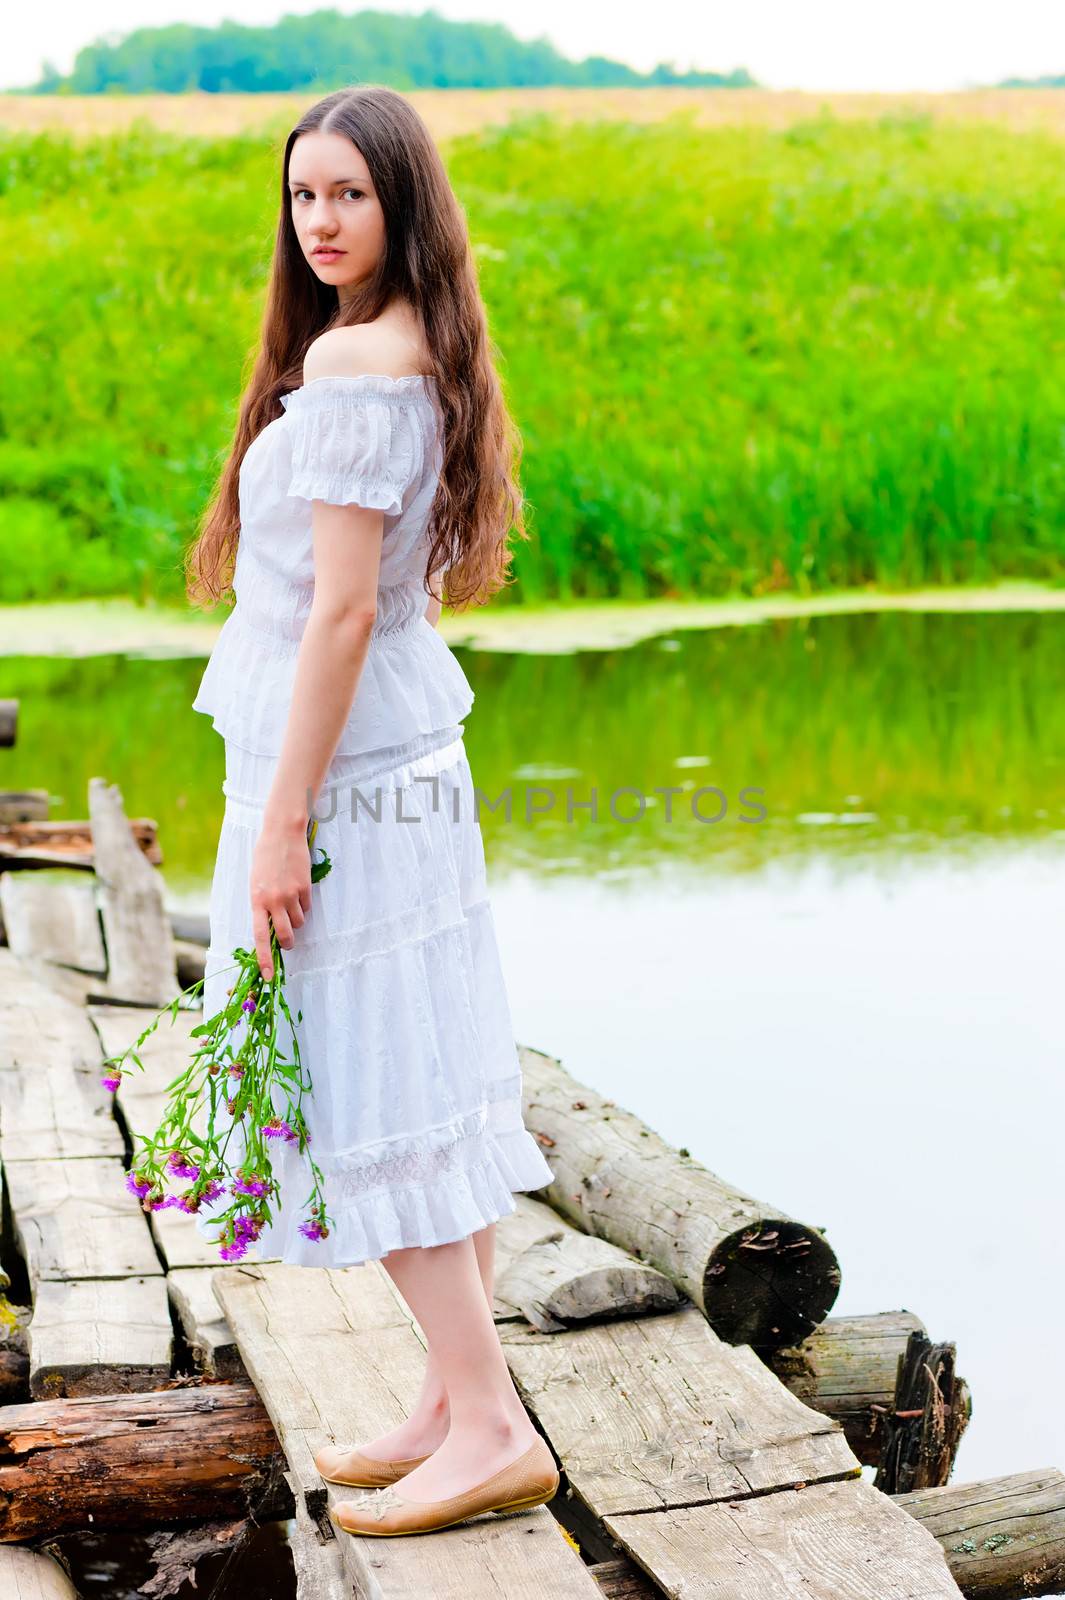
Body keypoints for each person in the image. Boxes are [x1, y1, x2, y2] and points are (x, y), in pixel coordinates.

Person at [185, 84, 559, 1536]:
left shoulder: (357, 376)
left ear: (402, 199)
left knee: (366, 1082)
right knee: (408, 1063)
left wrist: (280, 826)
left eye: (348, 194)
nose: (321, 222)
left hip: (338, 773)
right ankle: (447, 1401)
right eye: (302, 197)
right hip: (392, 756)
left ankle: (489, 1424)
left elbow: (339, 615)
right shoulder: (410, 351)